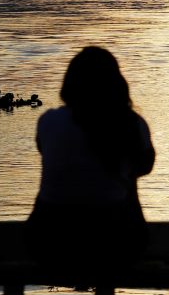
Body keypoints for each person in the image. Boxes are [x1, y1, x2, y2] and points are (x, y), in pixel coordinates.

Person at [26, 46, 155, 276]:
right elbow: (145, 167)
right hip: (113, 250)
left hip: (49, 247)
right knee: (128, 177)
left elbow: (45, 151)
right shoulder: (131, 124)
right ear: (117, 84)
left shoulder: (49, 121)